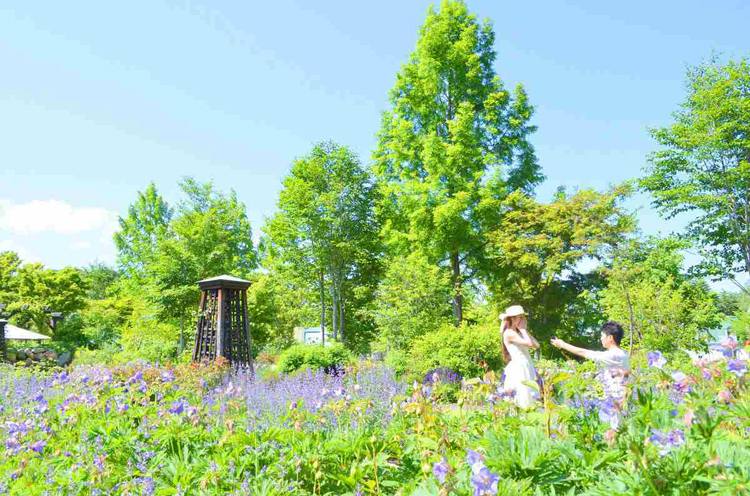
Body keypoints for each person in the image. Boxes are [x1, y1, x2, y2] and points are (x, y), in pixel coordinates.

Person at [550, 321, 630, 375]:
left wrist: (562, 344)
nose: (601, 339)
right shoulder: (624, 354)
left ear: (610, 338)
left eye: (602, 336)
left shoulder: (611, 356)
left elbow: (582, 352)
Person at [501, 305, 540, 408]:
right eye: (520, 317)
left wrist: (524, 331)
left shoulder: (519, 332)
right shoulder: (509, 333)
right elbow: (529, 344)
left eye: (523, 317)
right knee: (522, 394)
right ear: (512, 318)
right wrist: (523, 330)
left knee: (530, 394)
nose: (523, 320)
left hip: (527, 365)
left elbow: (537, 345)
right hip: (519, 367)